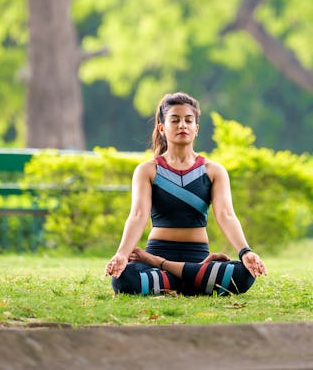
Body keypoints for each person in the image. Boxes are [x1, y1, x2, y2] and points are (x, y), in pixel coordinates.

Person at [105, 92, 267, 296]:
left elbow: (226, 215)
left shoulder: (213, 171)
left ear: (196, 129)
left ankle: (170, 275)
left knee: (244, 275)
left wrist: (246, 251)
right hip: (162, 251)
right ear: (162, 128)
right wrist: (122, 253)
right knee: (124, 279)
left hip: (196, 256)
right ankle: (194, 279)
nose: (183, 125)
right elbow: (138, 216)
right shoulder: (148, 170)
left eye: (188, 120)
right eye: (175, 120)